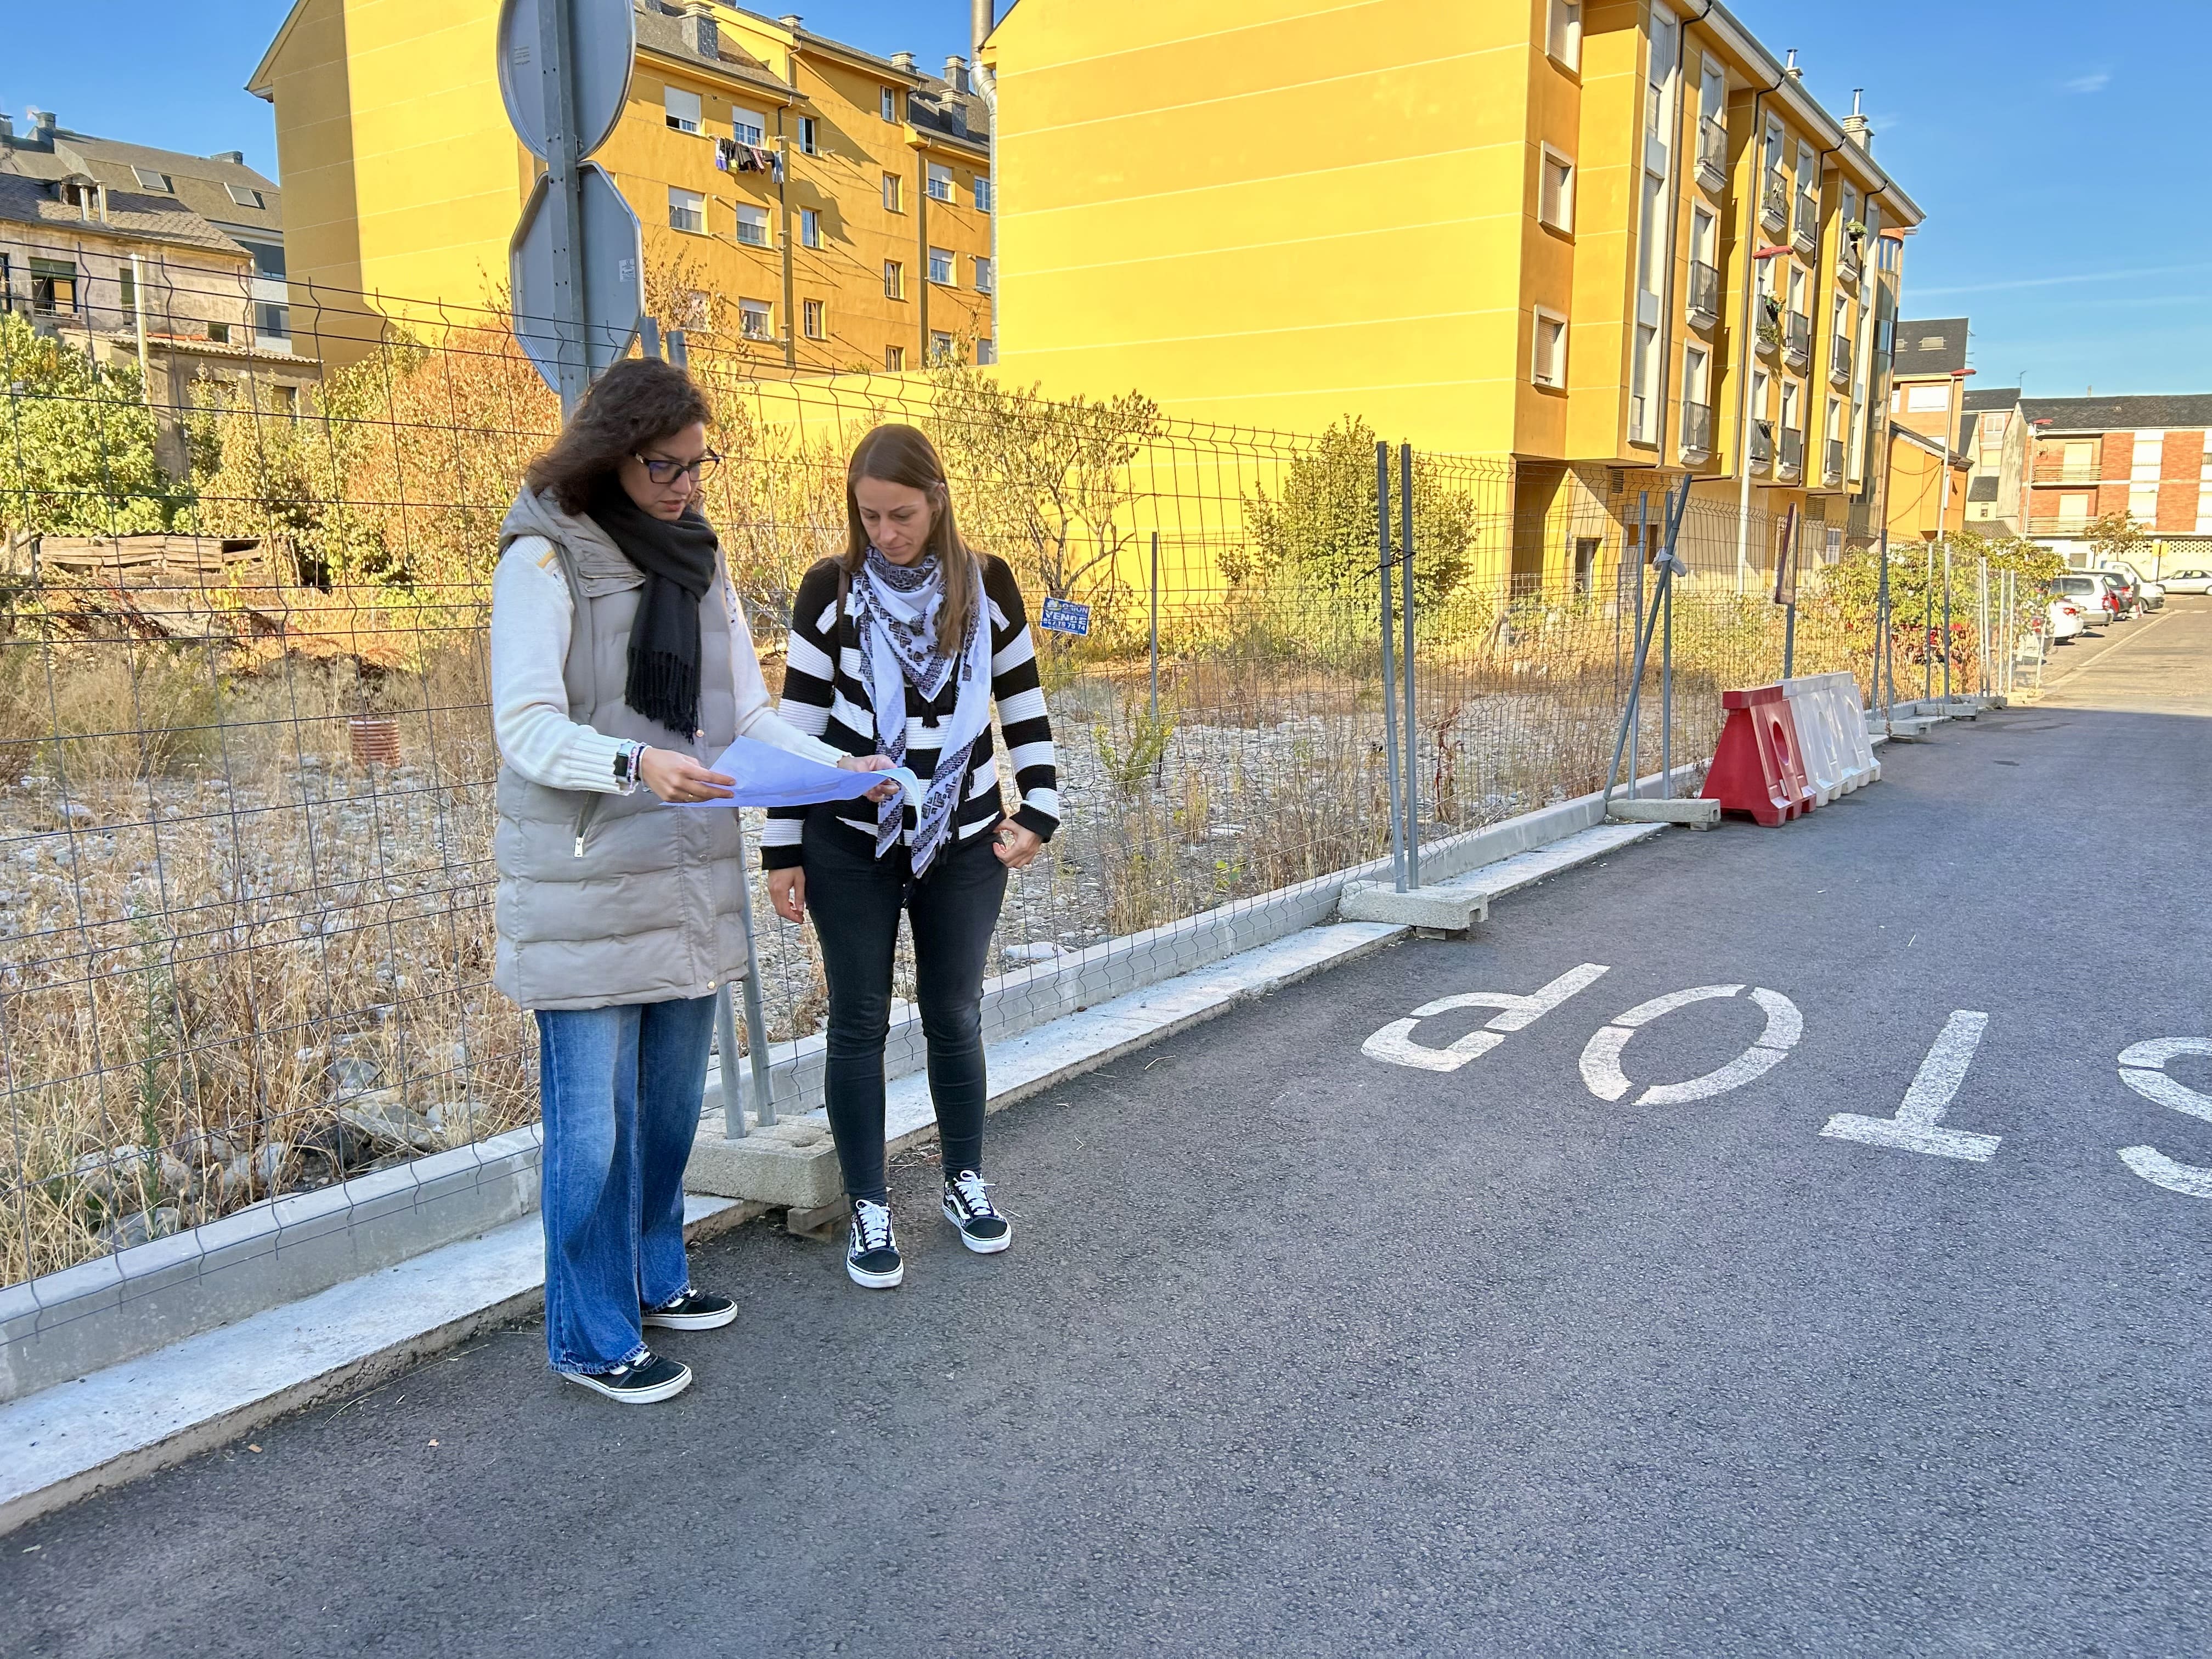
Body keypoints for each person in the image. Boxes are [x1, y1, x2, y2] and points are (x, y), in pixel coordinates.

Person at [490, 359, 891, 1402]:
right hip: (585, 881)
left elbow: (745, 715)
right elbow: (524, 727)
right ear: (611, 456)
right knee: (592, 1135)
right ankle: (589, 1336)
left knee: (669, 1115)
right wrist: (636, 764)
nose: (685, 486)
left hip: (682, 872)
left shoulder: (698, 559)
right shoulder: (543, 557)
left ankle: (654, 1279)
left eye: (697, 466)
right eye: (664, 467)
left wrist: (836, 765)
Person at [765, 424, 1060, 1290]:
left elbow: (1023, 704)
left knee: (954, 1013)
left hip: (964, 839)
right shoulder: (830, 589)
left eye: (901, 515)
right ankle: (869, 1204)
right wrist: (782, 846)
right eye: (869, 517)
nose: (885, 533)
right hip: (848, 841)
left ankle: (965, 1181)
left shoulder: (988, 584)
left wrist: (1039, 811)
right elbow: (799, 725)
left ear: (937, 502)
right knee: (857, 1021)